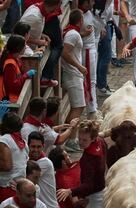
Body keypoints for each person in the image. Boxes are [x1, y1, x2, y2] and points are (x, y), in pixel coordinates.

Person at [56, 120, 113, 208]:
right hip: (103, 189)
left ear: (92, 138)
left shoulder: (88, 158)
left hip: (96, 196)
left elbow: (89, 185)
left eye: (84, 140)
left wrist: (70, 191)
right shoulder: (100, 141)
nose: (80, 142)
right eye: (79, 138)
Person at [61, 9, 87, 153]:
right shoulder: (73, 34)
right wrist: (79, 66)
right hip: (73, 74)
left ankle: (69, 137)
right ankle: (70, 139)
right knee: (78, 107)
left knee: (77, 107)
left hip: (72, 73)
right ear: (80, 20)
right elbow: (65, 52)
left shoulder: (70, 32)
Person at [20, 0, 62, 87]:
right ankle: (45, 78)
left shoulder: (39, 10)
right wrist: (38, 41)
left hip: (29, 52)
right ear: (57, 5)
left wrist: (41, 35)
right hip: (24, 56)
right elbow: (19, 36)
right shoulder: (34, 16)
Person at [0, 112, 28, 202]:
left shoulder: (4, 140)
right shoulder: (23, 141)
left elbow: (7, 166)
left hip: (7, 186)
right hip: (20, 186)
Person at [78, 0, 99, 120]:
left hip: (91, 47)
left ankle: (92, 107)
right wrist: (83, 34)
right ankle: (92, 110)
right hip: (86, 49)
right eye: (90, 1)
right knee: (90, 80)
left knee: (92, 79)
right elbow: (72, 32)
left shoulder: (89, 13)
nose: (93, 2)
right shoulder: (80, 15)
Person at [0, 35, 36, 103]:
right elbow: (13, 87)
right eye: (24, 45)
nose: (26, 47)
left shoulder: (15, 59)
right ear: (19, 48)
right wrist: (26, 75)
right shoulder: (10, 64)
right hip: (9, 101)